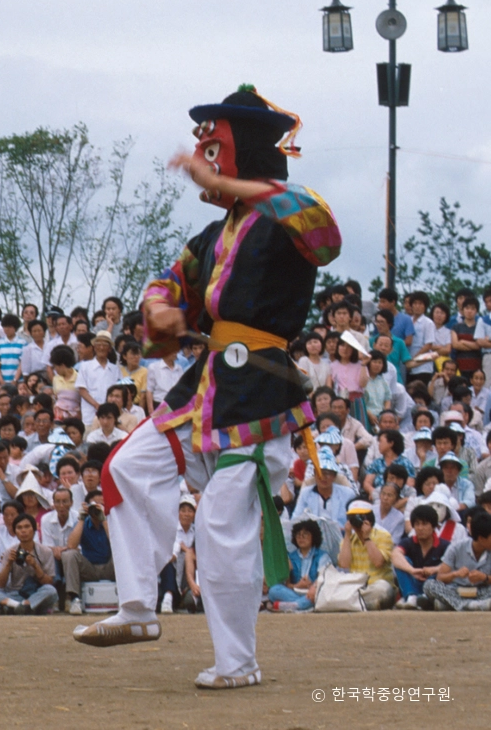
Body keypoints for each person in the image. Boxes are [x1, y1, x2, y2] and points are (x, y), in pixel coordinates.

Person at [77, 86, 342, 689]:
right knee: (125, 465)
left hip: (259, 395)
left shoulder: (289, 211)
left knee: (222, 527)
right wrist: (161, 312)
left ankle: (237, 663)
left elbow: (327, 236)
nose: (203, 158)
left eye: (213, 148)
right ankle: (140, 607)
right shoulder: (211, 237)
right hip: (208, 386)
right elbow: (168, 285)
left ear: (244, 152)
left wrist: (235, 188)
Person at [0, 513, 58, 615]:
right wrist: (8, 564)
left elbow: (49, 582)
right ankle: (19, 606)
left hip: (36, 593)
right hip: (15, 594)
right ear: (15, 532)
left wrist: (35, 566)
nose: (23, 531)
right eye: (19, 528)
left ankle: (19, 605)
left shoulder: (45, 551)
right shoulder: (10, 552)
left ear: (34, 529)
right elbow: (1, 585)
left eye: (27, 527)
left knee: (51, 590)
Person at [421, 511, 491, 611]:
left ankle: (448, 605)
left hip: (481, 590)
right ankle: (470, 605)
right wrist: (456, 574)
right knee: (429, 585)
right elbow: (440, 577)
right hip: (456, 590)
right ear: (481, 538)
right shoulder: (456, 547)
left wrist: (484, 578)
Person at [337, 499, 397, 610]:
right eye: (352, 518)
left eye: (358, 517)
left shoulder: (384, 536)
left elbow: (378, 562)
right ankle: (363, 604)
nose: (355, 521)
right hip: (356, 587)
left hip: (376, 586)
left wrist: (367, 537)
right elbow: (344, 564)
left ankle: (355, 604)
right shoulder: (347, 540)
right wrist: (347, 535)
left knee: (382, 589)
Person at [63, 488, 114, 615]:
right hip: (89, 568)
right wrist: (81, 518)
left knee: (124, 556)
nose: (97, 509)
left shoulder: (112, 522)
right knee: (69, 555)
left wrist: (104, 519)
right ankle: (74, 598)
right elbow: (71, 545)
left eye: (101, 505)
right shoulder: (82, 523)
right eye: (94, 505)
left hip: (110, 566)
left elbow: (117, 544)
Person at [391, 504, 449, 609]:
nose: (420, 528)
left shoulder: (444, 545)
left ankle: (422, 598)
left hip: (432, 584)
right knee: (402, 562)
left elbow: (454, 564)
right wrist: (412, 570)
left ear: (433, 526)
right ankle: (411, 596)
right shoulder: (408, 542)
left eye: (424, 524)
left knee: (444, 568)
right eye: (417, 524)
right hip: (413, 581)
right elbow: (395, 555)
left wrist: (435, 569)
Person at [267, 519, 331, 612]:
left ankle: (293, 605)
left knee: (318, 595)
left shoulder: (322, 556)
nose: (301, 538)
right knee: (273, 590)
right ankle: (300, 605)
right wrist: (297, 585)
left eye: (305, 534)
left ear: (313, 536)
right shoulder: (290, 557)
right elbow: (286, 584)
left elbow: (324, 577)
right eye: (298, 535)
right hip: (295, 592)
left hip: (314, 591)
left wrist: (313, 586)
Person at [291, 447, 355, 527]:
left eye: (327, 473)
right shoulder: (306, 493)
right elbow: (295, 519)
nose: (323, 477)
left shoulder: (348, 494)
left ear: (334, 476)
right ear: (314, 474)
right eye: (319, 472)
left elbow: (354, 523)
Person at [157, 494, 199, 613]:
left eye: (190, 511)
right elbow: (172, 553)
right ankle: (168, 597)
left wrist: (186, 550)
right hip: (173, 570)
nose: (186, 514)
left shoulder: (197, 531)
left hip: (190, 571)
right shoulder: (171, 529)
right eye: (183, 510)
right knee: (168, 563)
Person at [75, 331, 117, 426]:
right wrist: (97, 405)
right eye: (98, 345)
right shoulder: (85, 366)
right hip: (90, 415)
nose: (101, 348)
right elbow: (82, 390)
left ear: (109, 349)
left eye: (105, 345)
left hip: (110, 415)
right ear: (94, 347)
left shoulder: (115, 369)